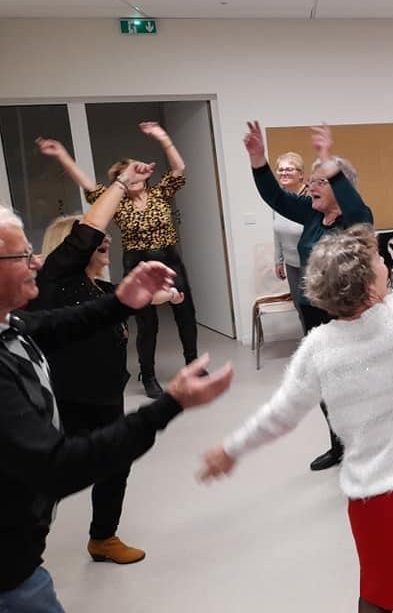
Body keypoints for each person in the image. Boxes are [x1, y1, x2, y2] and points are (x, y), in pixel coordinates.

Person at [200, 158, 393, 613]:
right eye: (378, 260)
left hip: (372, 496)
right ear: (371, 284)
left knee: (379, 591)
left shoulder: (318, 347)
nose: (385, 262)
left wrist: (232, 448)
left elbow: (281, 414)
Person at [0, 202, 233, 612]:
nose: (35, 262)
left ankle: (103, 535)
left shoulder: (12, 326)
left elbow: (62, 324)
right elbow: (58, 466)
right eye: (22, 255)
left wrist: (123, 301)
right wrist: (171, 404)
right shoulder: (53, 287)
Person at [30, 161, 185, 567]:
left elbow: (131, 298)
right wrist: (121, 185)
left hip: (106, 393)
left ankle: (103, 538)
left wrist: (169, 296)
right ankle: (22, 552)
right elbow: (86, 235)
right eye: (99, 242)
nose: (107, 243)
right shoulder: (54, 283)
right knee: (49, 478)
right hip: (68, 399)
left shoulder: (99, 286)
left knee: (116, 465)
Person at [243, 121, 373, 472]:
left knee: (355, 384)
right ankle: (339, 444)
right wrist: (258, 159)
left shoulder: (357, 218)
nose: (311, 187)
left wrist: (327, 160)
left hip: (349, 318)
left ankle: (366, 445)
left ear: (341, 187)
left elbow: (352, 201)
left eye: (320, 182)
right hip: (314, 312)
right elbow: (275, 197)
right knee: (326, 382)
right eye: (311, 181)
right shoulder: (312, 215)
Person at [39, 122, 197, 399]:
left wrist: (163, 138)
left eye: (136, 173)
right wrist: (62, 155)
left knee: (186, 315)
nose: (134, 178)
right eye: (127, 176)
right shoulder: (118, 203)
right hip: (137, 261)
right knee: (147, 324)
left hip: (170, 259)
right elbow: (87, 184)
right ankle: (148, 375)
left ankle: (193, 366)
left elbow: (179, 169)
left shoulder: (161, 193)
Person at [271, 151, 309, 332]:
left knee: (315, 308)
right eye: (280, 169)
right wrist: (278, 260)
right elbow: (277, 231)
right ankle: (308, 341)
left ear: (301, 174)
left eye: (289, 169)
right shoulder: (280, 200)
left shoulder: (310, 199)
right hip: (291, 264)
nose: (284, 173)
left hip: (312, 264)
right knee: (300, 307)